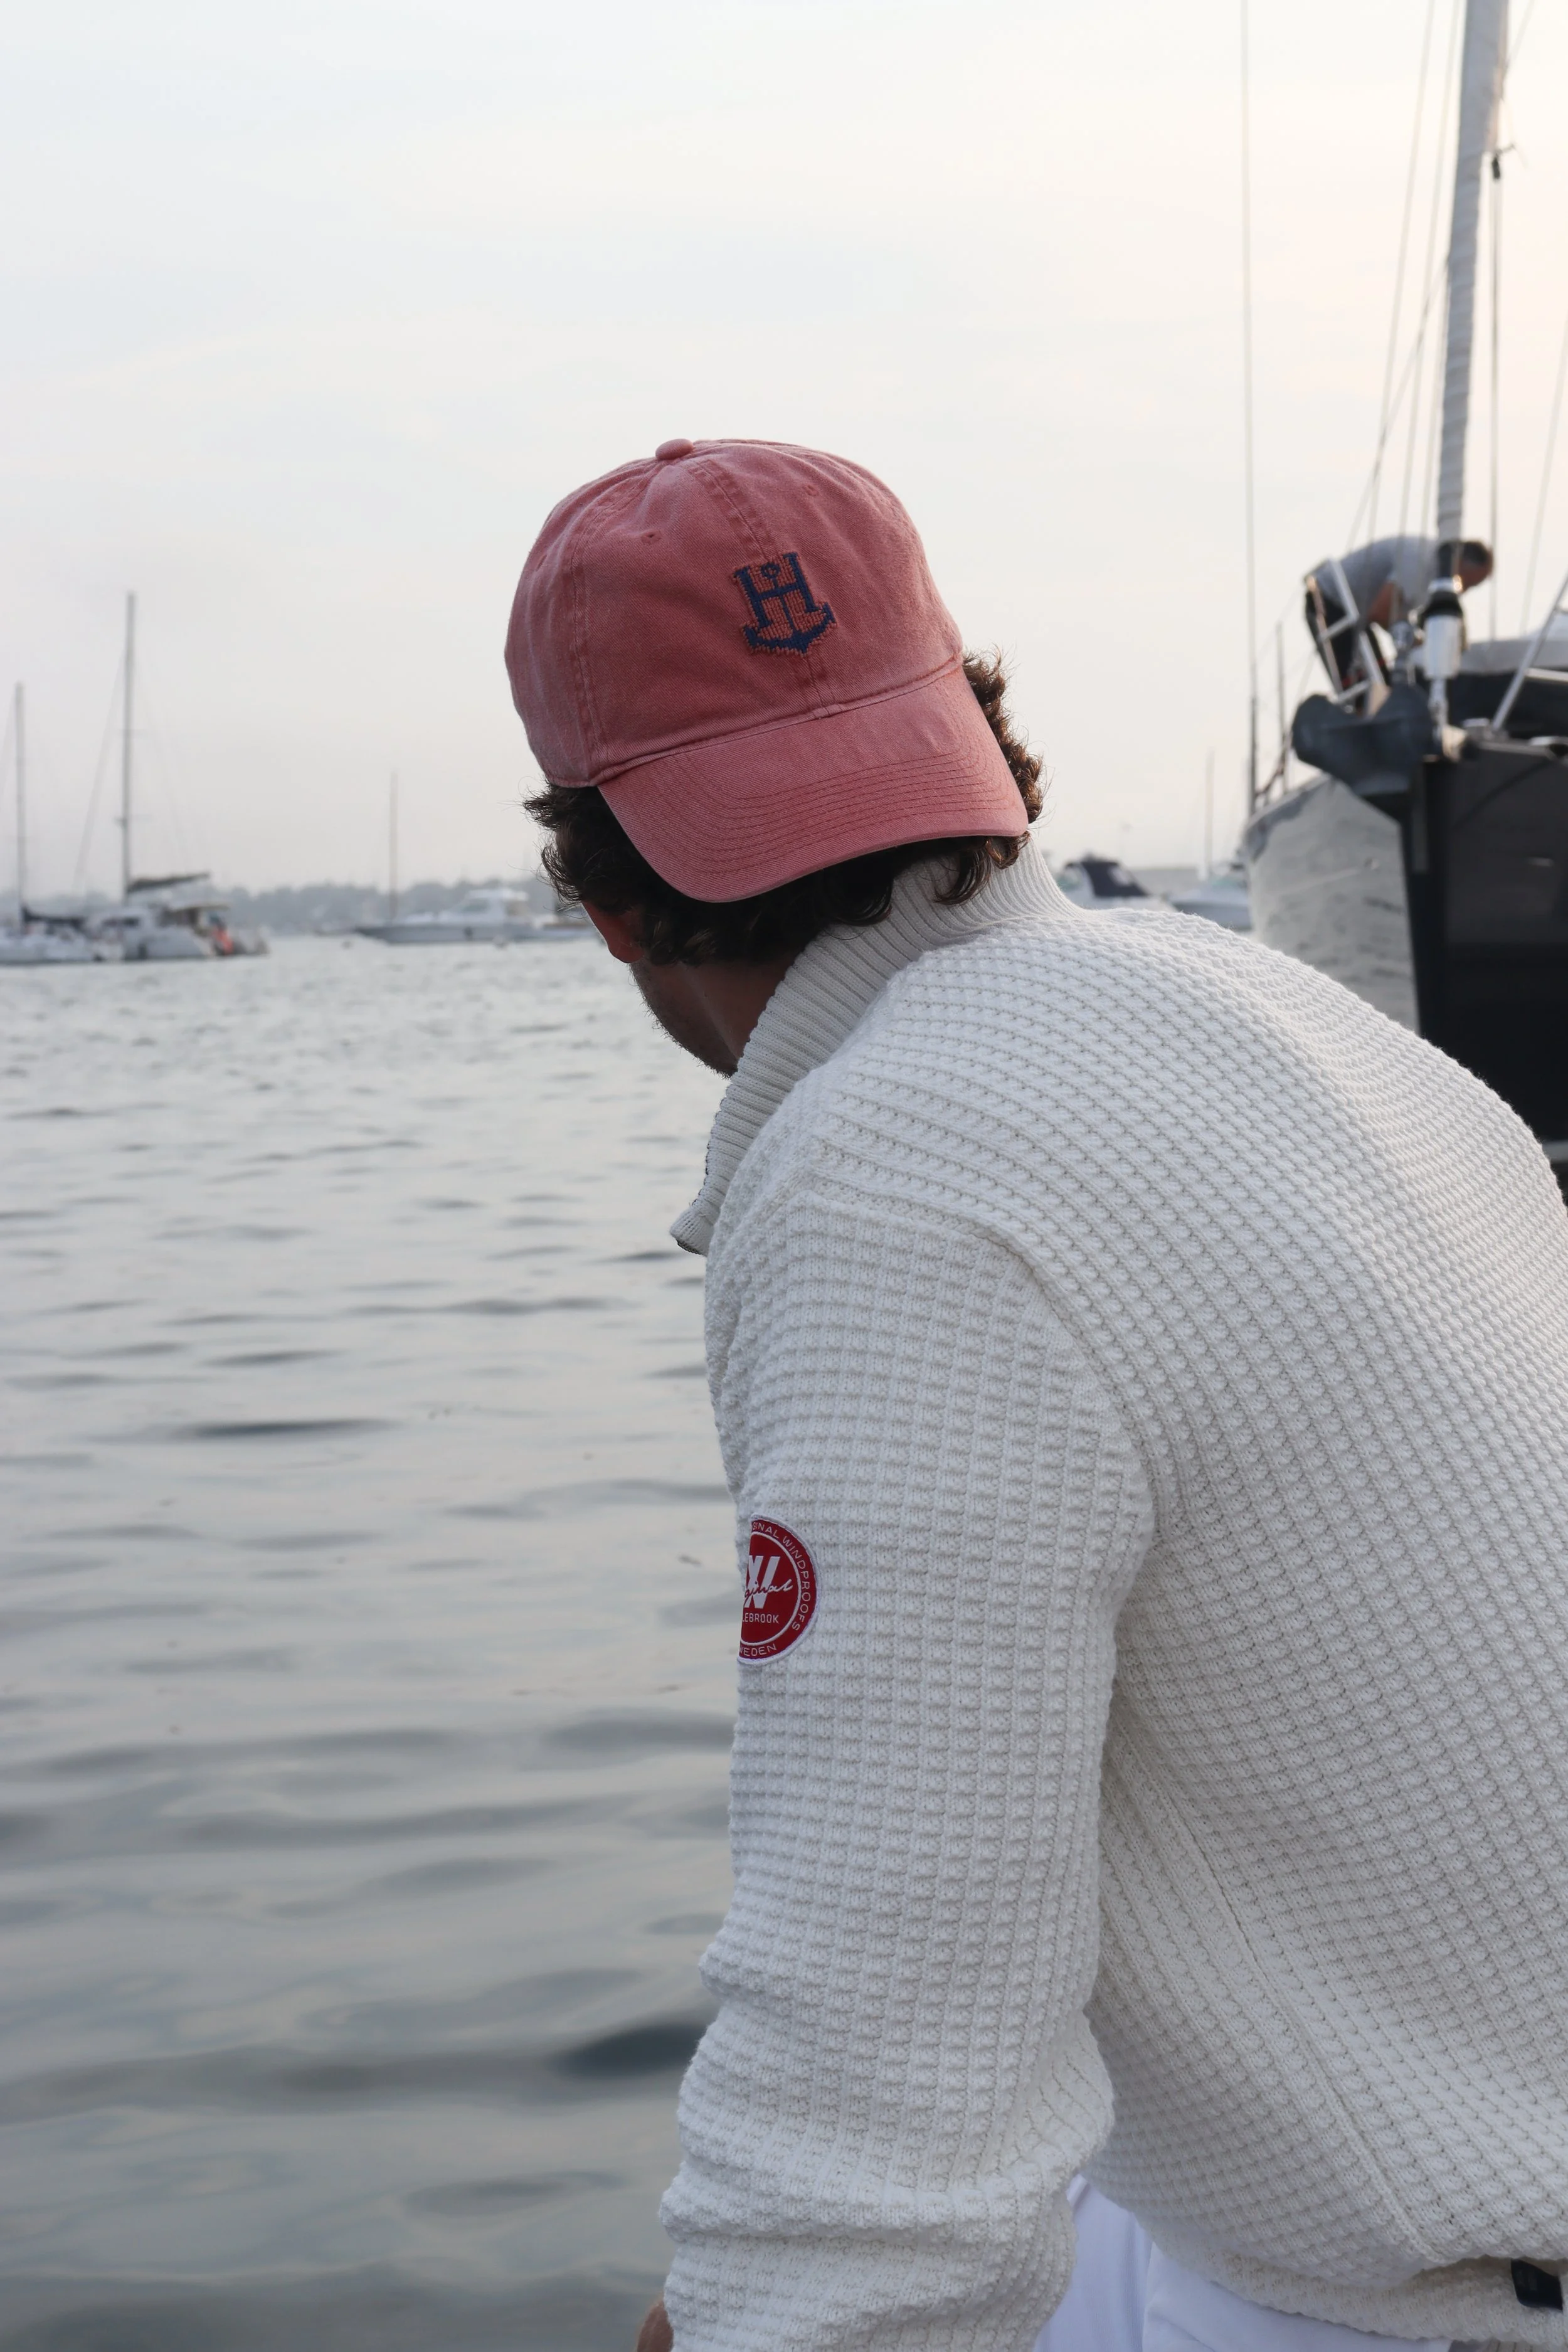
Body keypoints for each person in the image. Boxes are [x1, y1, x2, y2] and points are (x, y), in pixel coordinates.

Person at [504, 439, 1568, 2352]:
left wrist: (784, 2292)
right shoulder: (1277, 1012)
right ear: (980, 750)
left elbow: (878, 2084)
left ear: (603, 901)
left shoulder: (888, 1180)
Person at [1304, 533, 1492, 695]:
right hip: (1329, 601)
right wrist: (1416, 643)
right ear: (1460, 564)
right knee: (1363, 691)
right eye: (1466, 584)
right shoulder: (1420, 562)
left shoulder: (1431, 569)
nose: (1463, 591)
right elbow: (1381, 611)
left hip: (1357, 613)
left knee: (1380, 685)